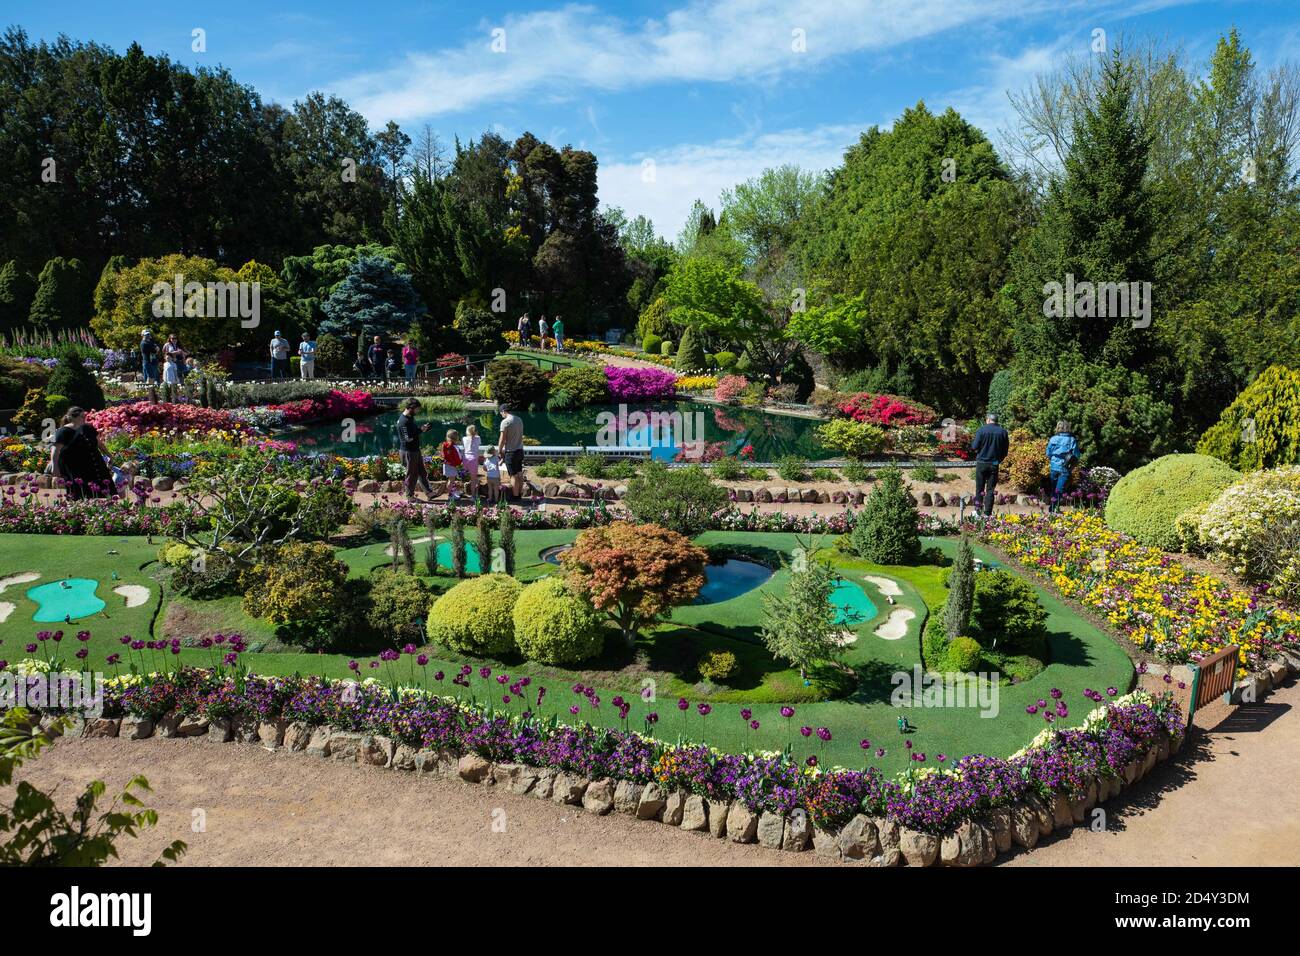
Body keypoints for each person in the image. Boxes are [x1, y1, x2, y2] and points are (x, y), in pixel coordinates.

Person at [50, 406, 112, 500]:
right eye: (81, 416)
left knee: (99, 492)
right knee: (79, 493)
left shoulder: (88, 428)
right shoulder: (63, 432)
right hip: (75, 467)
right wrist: (55, 467)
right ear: (72, 418)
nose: (84, 419)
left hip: (93, 463)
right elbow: (55, 450)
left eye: (84, 416)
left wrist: (109, 455)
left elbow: (99, 444)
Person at [969, 413, 1010, 517]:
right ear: (996, 421)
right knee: (991, 490)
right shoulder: (1003, 432)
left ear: (988, 420)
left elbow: (974, 446)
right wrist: (999, 460)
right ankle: (987, 513)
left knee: (979, 488)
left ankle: (978, 511)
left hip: (982, 462)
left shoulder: (981, 430)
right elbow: (1005, 451)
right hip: (994, 463)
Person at [395, 398, 434, 500]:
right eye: (417, 409)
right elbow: (408, 439)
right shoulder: (403, 422)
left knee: (422, 472)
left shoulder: (410, 418)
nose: (418, 411)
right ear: (411, 408)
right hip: (408, 451)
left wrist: (422, 429)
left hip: (415, 449)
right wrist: (420, 430)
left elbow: (413, 432)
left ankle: (429, 493)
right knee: (411, 475)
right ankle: (410, 496)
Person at [1046, 420, 1080, 513]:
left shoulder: (1053, 439)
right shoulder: (1072, 440)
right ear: (1068, 428)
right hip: (1066, 467)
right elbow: (1076, 456)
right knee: (1059, 490)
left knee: (1054, 489)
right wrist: (1072, 467)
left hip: (1054, 466)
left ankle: (1052, 509)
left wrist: (1054, 459)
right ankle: (1053, 509)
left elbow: (1048, 453)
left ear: (1058, 427)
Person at [497, 403, 525, 503]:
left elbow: (502, 438)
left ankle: (515, 496)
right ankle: (520, 493)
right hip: (520, 450)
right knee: (519, 472)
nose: (501, 415)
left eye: (501, 413)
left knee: (513, 475)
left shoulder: (505, 422)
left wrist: (499, 451)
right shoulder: (519, 419)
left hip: (511, 452)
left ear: (504, 411)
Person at [440, 429, 464, 501]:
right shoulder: (454, 447)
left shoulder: (445, 445)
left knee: (450, 480)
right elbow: (458, 457)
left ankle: (451, 493)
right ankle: (450, 495)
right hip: (451, 465)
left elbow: (443, 455)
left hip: (446, 464)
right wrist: (460, 462)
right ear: (456, 438)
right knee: (452, 480)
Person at [462, 424, 482, 503]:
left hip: (465, 459)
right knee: (473, 479)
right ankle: (473, 496)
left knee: (463, 477)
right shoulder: (478, 438)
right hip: (473, 460)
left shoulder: (464, 438)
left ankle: (460, 492)